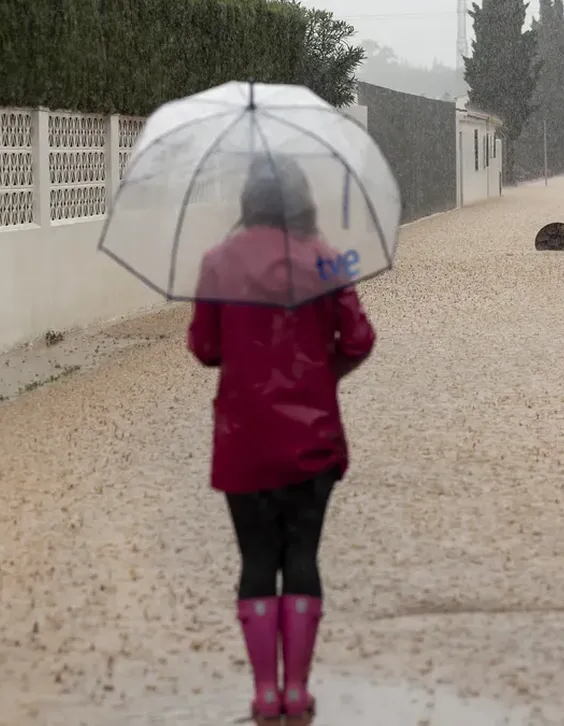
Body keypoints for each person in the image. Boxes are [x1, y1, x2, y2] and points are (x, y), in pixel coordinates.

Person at [188, 155, 376, 721]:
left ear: (249, 200)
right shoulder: (326, 259)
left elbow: (205, 349)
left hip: (244, 440)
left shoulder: (218, 262)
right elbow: (359, 339)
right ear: (302, 201)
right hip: (313, 440)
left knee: (255, 558)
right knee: (302, 554)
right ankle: (297, 690)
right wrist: (322, 372)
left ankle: (263, 694)